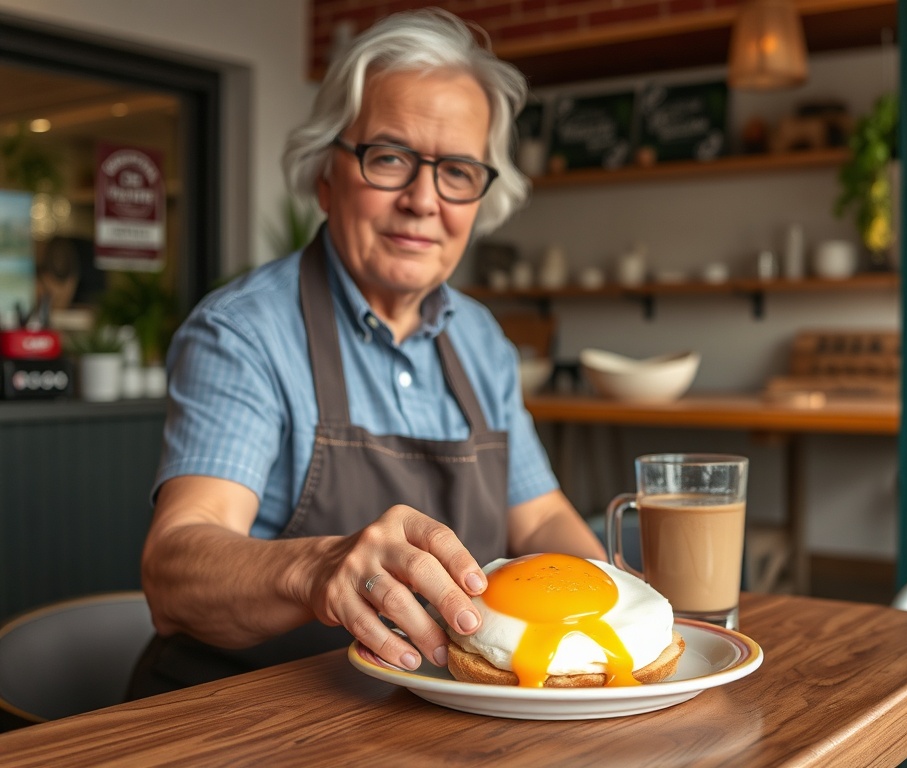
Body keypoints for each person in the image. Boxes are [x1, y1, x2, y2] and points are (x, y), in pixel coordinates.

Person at [128, 8, 605, 697]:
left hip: (424, 721)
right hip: (243, 714)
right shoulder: (244, 333)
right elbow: (173, 569)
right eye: (390, 158)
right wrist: (318, 569)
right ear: (327, 174)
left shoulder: (481, 342)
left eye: (458, 172)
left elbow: (542, 518)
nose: (422, 200)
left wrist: (622, 617)